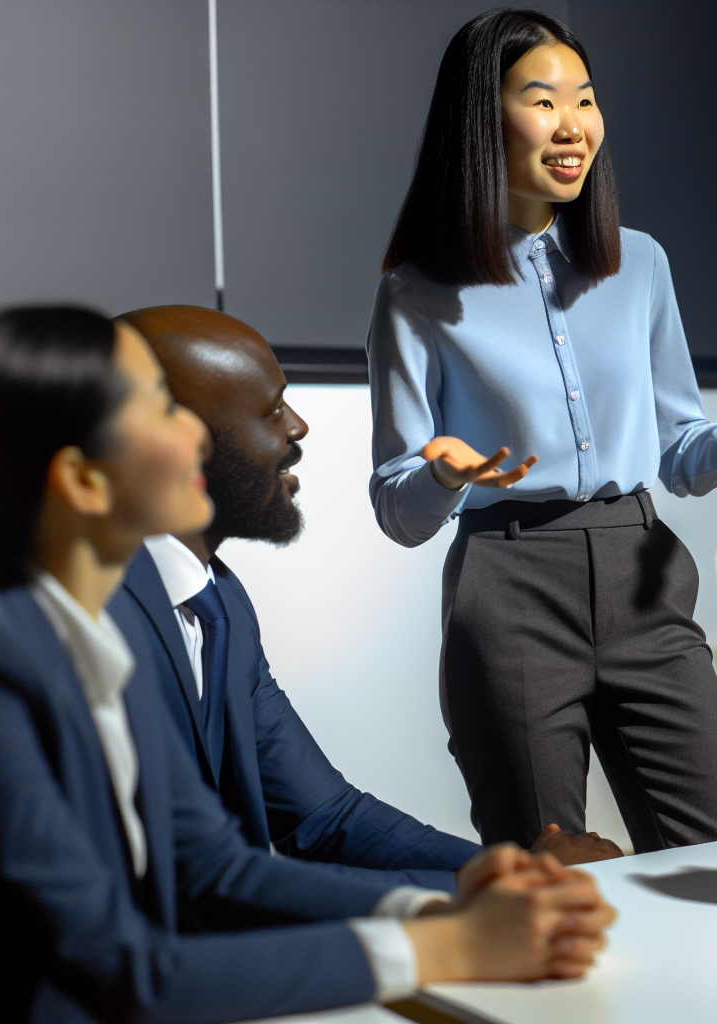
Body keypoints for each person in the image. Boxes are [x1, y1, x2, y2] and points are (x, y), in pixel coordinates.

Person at [0, 306, 613, 1021]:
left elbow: (211, 867)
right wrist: (450, 949)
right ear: (83, 480)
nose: (197, 433)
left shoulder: (82, 630)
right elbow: (117, 972)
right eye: (160, 411)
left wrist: (451, 904)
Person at [367, 8, 717, 854]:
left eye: (585, 101)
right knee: (551, 877)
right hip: (507, 584)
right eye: (542, 101)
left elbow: (682, 458)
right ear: (482, 119)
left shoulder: (642, 265)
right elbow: (397, 510)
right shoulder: (416, 293)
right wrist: (442, 475)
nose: (573, 126)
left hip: (645, 576)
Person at [112, 304, 623, 892]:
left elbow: (324, 819)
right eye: (272, 409)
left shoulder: (221, 603)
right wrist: (496, 894)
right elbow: (200, 887)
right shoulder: (102, 620)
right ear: (175, 442)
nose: (299, 427)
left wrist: (514, 872)